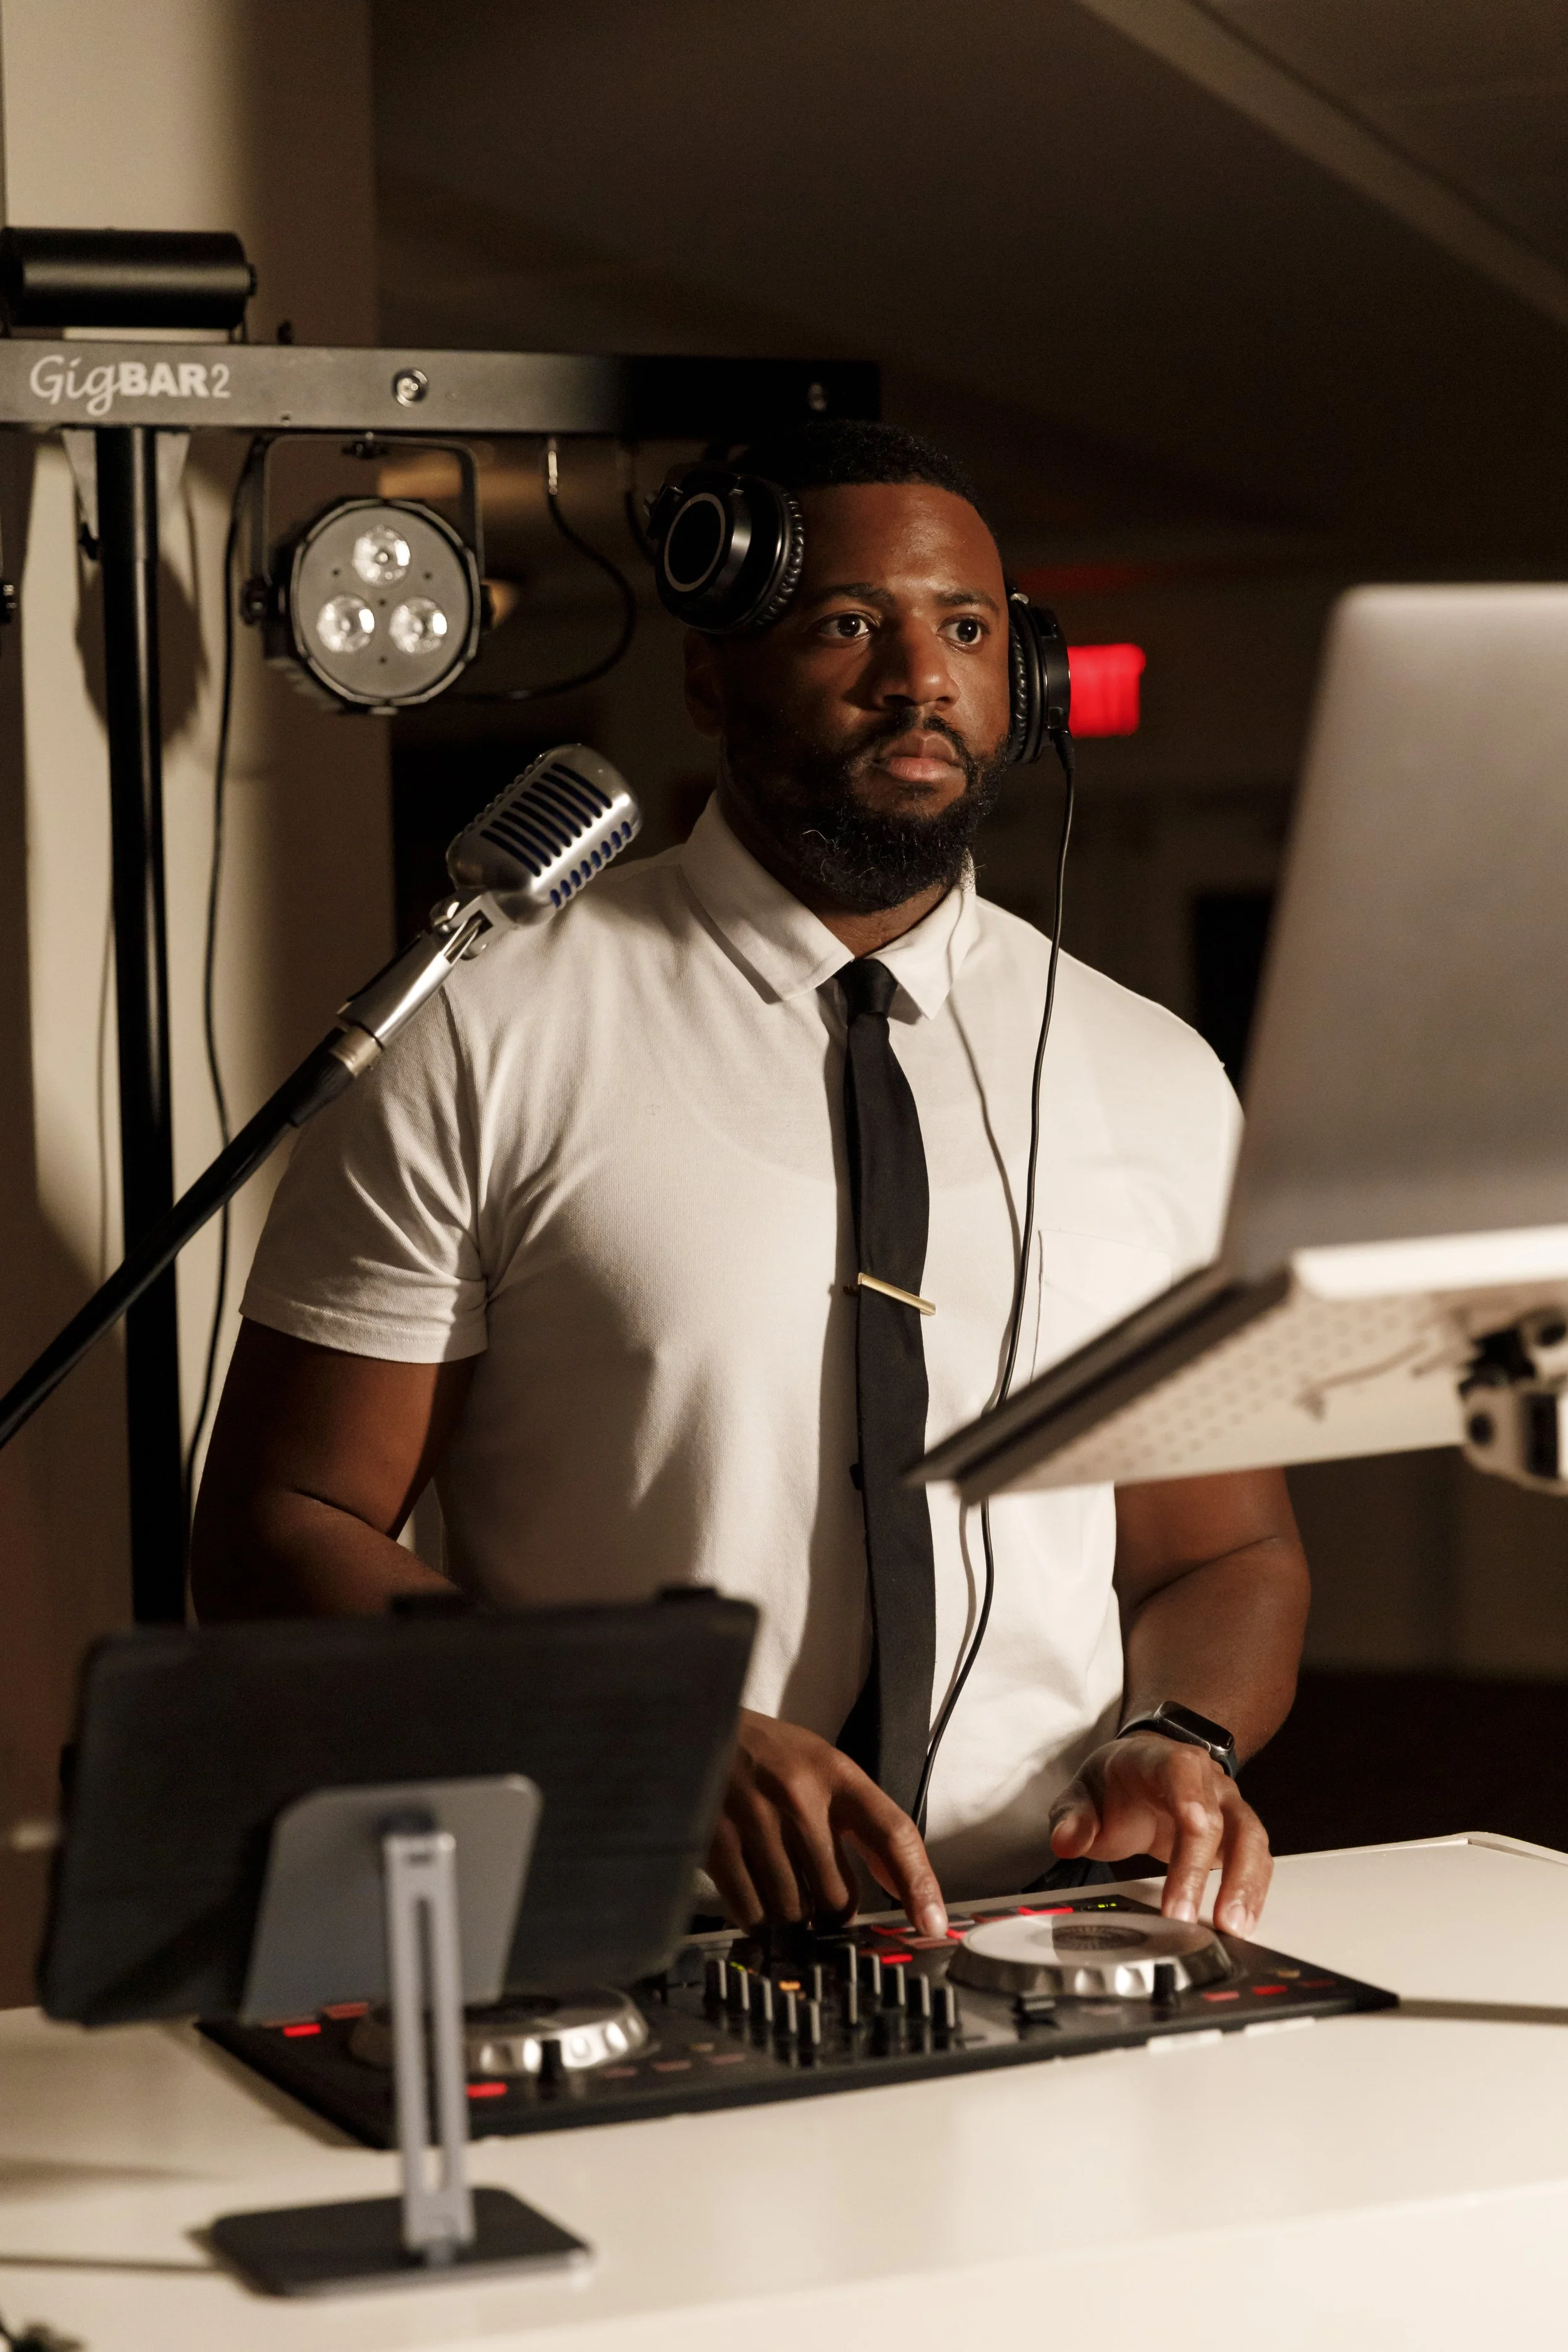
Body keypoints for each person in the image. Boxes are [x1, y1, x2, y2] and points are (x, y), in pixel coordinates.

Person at [191, 420, 1308, 1946]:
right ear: (711, 680)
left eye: (966, 630)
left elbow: (1222, 1549)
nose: (919, 676)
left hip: (1046, 1935)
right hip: (604, 1923)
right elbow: (278, 1524)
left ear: (1020, 681)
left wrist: (1183, 1736)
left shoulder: (1158, 1074)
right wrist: (627, 1719)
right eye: (850, 623)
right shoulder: (482, 1031)